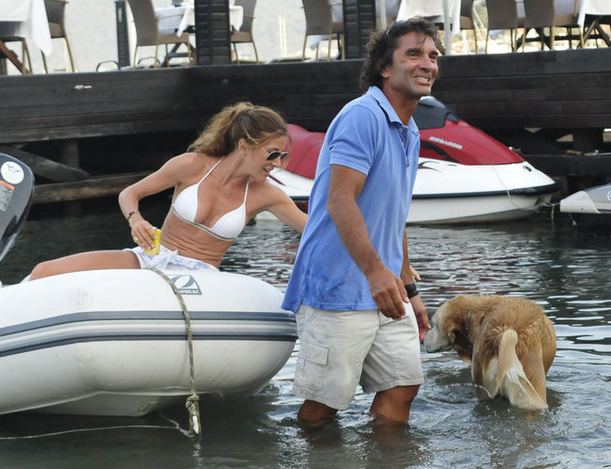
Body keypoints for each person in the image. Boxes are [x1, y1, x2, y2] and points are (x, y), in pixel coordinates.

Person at [281, 18, 439, 427]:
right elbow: (340, 200)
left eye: (432, 56)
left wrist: (408, 285)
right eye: (414, 54)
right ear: (385, 67)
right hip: (337, 288)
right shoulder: (362, 116)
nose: (427, 64)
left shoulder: (410, 129)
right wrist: (375, 272)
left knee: (402, 386)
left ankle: (384, 456)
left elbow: (393, 213)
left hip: (385, 287)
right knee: (325, 405)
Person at [29, 102, 307, 280]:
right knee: (44, 271)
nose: (278, 164)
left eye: (282, 156)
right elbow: (129, 194)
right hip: (151, 260)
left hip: (201, 281)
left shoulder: (267, 194)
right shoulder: (191, 165)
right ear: (244, 146)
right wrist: (136, 220)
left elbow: (314, 230)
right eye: (273, 154)